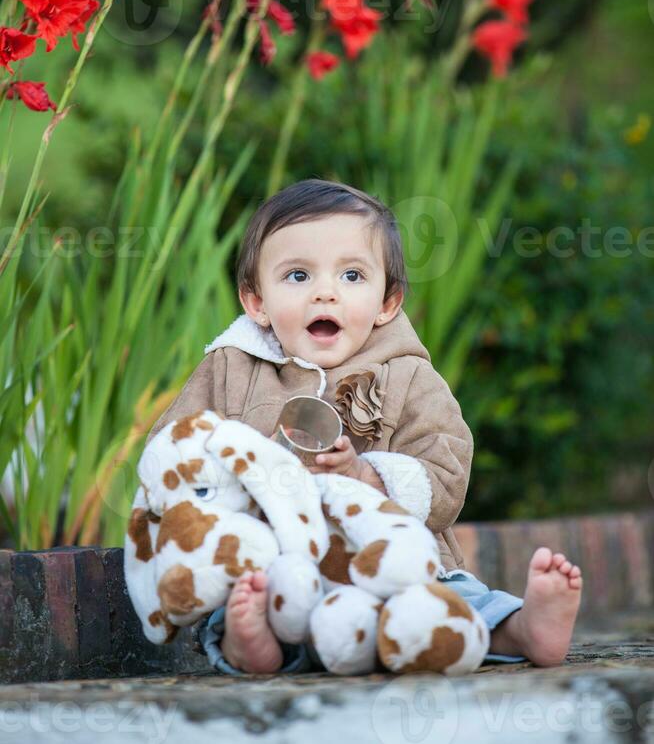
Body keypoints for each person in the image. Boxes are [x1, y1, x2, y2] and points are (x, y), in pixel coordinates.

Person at [145, 178, 583, 676]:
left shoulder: (407, 374)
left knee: (447, 599)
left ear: (386, 303)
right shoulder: (230, 368)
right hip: (283, 567)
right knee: (245, 599)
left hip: (392, 565)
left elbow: (447, 467)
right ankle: (253, 644)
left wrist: (367, 474)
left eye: (352, 276)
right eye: (297, 276)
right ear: (257, 302)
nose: (326, 294)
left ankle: (521, 628)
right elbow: (173, 453)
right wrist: (246, 468)